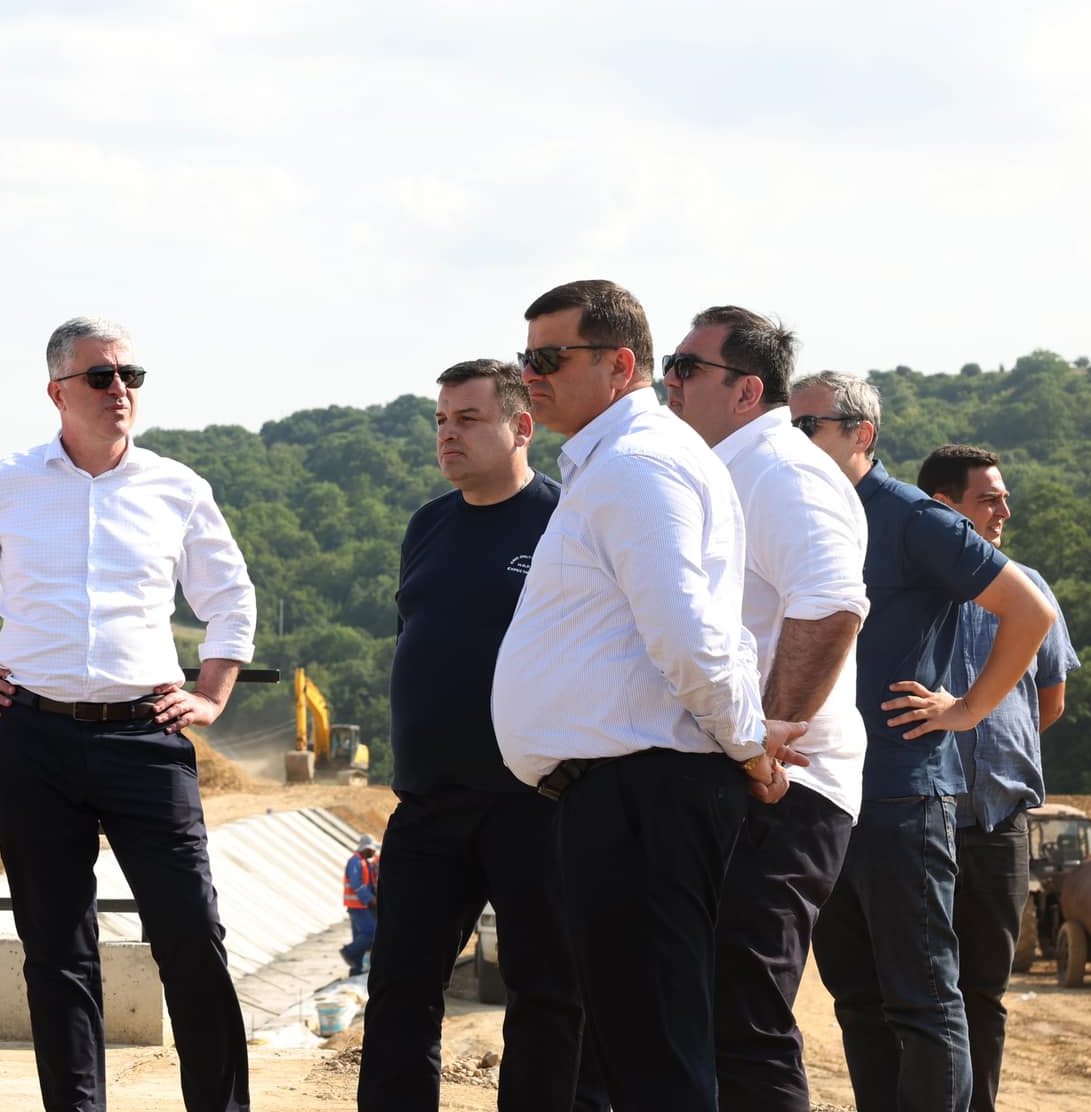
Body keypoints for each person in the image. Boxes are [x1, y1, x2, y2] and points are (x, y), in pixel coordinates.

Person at [0, 316, 257, 1112]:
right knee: (57, 953)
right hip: (33, 739)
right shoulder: (2, 486)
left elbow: (231, 600)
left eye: (132, 376)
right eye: (101, 377)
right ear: (57, 392)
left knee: (193, 937)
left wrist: (212, 693)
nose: (120, 390)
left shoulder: (178, 488)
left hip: (146, 737)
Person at [489, 278, 804, 1111]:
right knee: (635, 1056)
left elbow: (688, 629)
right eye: (526, 359)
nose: (531, 377)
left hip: (645, 795)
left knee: (655, 1062)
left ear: (620, 364)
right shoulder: (618, 461)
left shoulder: (638, 463)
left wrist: (747, 744)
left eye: (551, 359)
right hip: (624, 794)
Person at [791, 373, 1056, 1111]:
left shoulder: (912, 517)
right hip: (821, 792)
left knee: (924, 1000)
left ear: (862, 434)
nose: (792, 440)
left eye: (809, 426)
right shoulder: (802, 515)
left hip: (900, 796)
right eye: (786, 425)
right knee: (856, 998)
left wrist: (968, 710)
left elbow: (1030, 611)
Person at [358, 357, 599, 1112]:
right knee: (399, 987)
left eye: (467, 419)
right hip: (429, 803)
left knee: (548, 992)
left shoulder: (566, 520)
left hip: (536, 801)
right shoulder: (427, 524)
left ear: (521, 426)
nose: (447, 435)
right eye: (441, 420)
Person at [662, 308, 869, 1112]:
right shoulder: (728, 468)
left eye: (687, 368)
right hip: (746, 777)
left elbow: (833, 603)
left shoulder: (781, 469)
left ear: (747, 391)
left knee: (742, 1021)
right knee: (710, 1016)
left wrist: (764, 746)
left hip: (784, 787)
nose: (669, 383)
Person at [917, 442, 1079, 1112]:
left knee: (984, 990)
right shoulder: (907, 589)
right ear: (943, 507)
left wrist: (990, 739)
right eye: (989, 499)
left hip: (999, 825)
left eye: (1004, 498)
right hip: (916, 818)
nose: (1004, 511)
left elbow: (1050, 701)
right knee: (914, 992)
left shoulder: (1030, 587)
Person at [341, 834, 379, 976]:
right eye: (373, 850)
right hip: (357, 906)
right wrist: (371, 899)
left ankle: (356, 969)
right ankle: (348, 952)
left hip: (361, 906)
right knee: (371, 933)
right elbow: (356, 883)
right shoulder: (355, 862)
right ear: (367, 848)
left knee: (359, 937)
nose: (374, 852)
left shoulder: (363, 862)